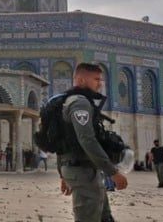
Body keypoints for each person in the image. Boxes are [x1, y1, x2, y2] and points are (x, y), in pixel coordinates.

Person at [57, 63, 127, 222]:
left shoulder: (69, 101)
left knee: (104, 218)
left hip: (84, 171)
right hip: (83, 172)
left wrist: (63, 174)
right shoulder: (80, 103)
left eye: (101, 79)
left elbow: (63, 142)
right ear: (81, 80)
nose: (100, 83)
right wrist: (112, 172)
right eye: (96, 79)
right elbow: (87, 140)